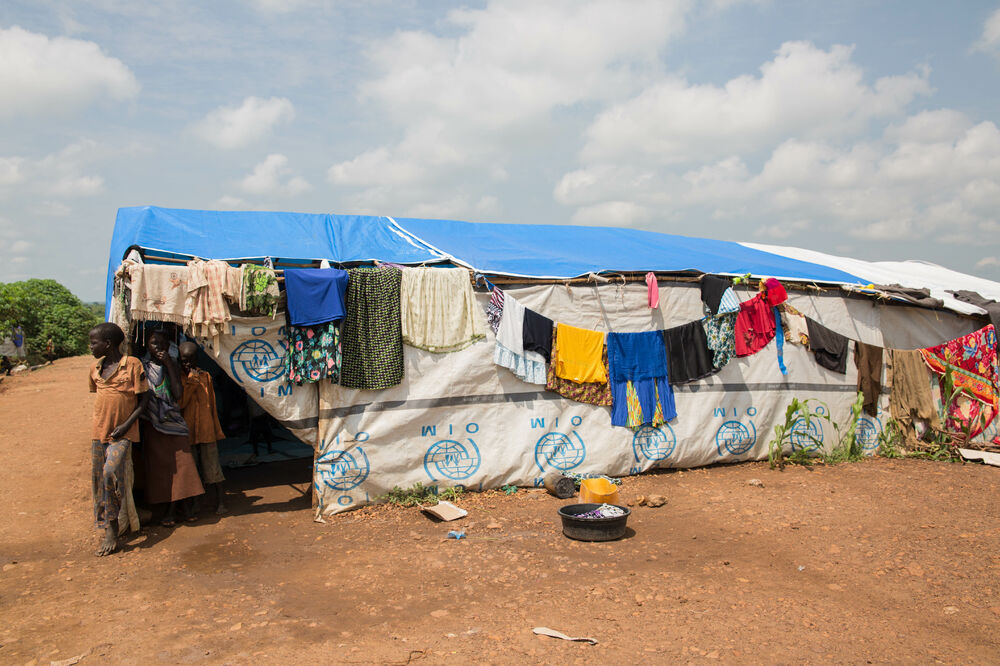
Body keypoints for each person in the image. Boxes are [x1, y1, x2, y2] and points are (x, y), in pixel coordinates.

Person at [88, 322, 149, 556]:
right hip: (98, 433)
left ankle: (114, 527)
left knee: (109, 474)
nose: (91, 347)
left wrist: (125, 425)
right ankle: (109, 529)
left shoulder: (132, 365)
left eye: (94, 343)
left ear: (108, 343)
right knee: (98, 483)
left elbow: (144, 401)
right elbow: (101, 397)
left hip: (123, 434)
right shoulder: (95, 368)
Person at [140, 330, 204, 526]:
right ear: (147, 347)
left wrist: (169, 364)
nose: (158, 348)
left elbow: (177, 394)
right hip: (153, 424)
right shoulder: (142, 368)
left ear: (169, 347)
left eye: (162, 344)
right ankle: (169, 509)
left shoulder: (173, 366)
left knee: (183, 466)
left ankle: (181, 507)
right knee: (162, 469)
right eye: (154, 344)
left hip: (174, 423)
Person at [178, 341, 228, 515]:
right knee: (192, 470)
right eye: (184, 361)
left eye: (190, 360)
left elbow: (212, 405)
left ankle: (220, 502)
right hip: (188, 431)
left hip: (207, 430)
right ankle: (195, 503)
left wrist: (216, 428)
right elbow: (181, 402)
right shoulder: (180, 379)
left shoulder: (205, 377)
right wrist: (191, 382)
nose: (187, 364)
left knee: (213, 468)